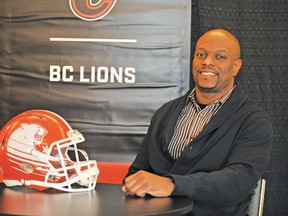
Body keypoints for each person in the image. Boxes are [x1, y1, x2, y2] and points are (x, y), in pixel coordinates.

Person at [121, 29, 273, 216]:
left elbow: (238, 181)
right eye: (201, 54)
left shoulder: (253, 122)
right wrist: (136, 184)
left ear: (236, 66)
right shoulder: (165, 113)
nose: (207, 62)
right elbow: (137, 173)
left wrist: (172, 185)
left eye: (220, 57)